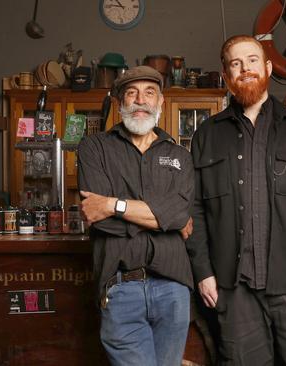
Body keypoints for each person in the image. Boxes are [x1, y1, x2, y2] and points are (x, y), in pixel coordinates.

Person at [186, 35, 286, 365]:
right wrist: (203, 272)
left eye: (253, 60)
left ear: (268, 68)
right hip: (234, 290)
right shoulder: (206, 136)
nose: (246, 69)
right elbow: (195, 211)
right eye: (236, 63)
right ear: (227, 75)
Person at [77, 65, 195, 366]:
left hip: (173, 289)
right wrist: (163, 220)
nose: (140, 100)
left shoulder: (180, 156)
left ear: (161, 103)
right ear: (120, 104)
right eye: (131, 93)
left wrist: (114, 205)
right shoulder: (95, 148)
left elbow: (180, 213)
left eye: (149, 93)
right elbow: (98, 217)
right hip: (121, 289)